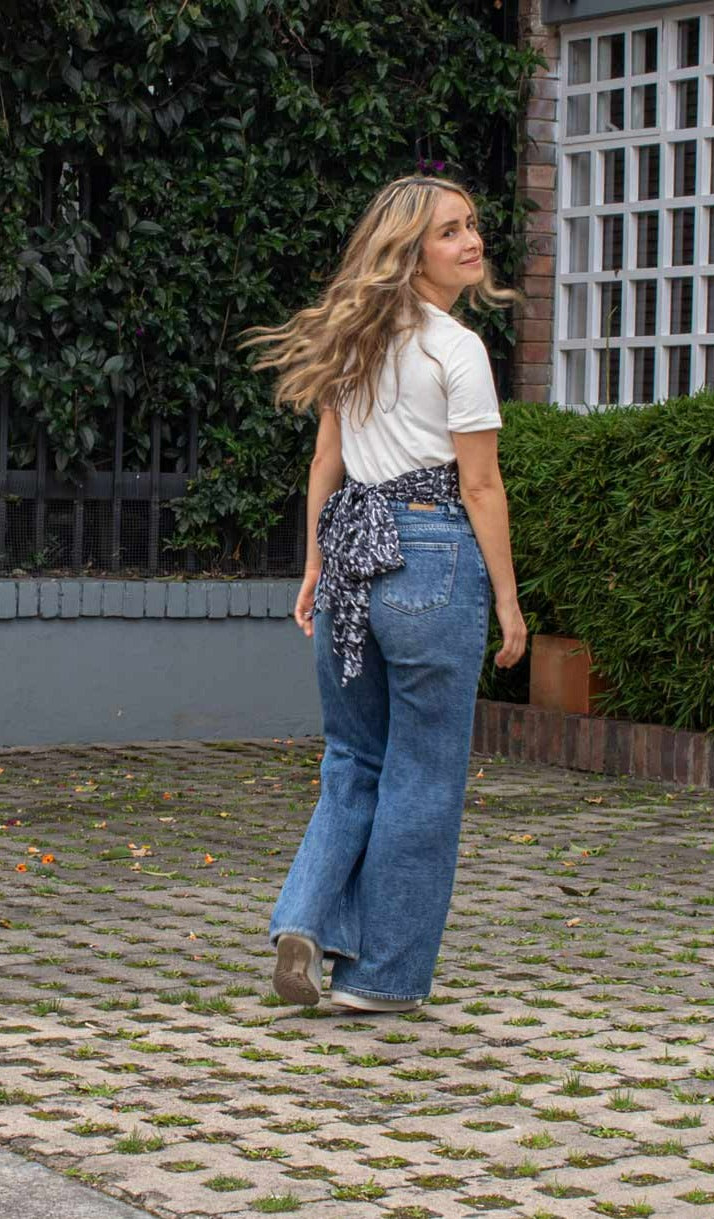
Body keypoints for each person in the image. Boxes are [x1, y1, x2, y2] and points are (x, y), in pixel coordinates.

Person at [245, 174, 527, 1013]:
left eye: (472, 225)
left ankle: (302, 916)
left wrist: (313, 564)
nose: (471, 241)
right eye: (449, 232)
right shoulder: (455, 348)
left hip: (351, 550)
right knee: (424, 773)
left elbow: (325, 464)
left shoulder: (355, 339)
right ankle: (381, 979)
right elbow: (480, 488)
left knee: (352, 759)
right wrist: (509, 603)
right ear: (409, 252)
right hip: (430, 551)